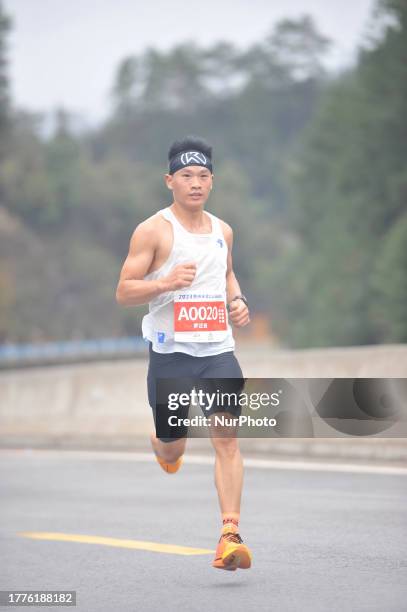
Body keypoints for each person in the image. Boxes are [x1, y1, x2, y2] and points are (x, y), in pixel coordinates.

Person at [116, 135, 252, 571]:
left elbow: (227, 275)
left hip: (217, 351)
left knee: (227, 438)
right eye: (187, 176)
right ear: (169, 180)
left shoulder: (223, 230)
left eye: (204, 176)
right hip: (171, 355)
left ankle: (230, 536)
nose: (196, 183)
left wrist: (237, 300)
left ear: (212, 182)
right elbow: (124, 291)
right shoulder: (153, 230)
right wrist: (165, 283)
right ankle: (163, 442)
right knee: (174, 447)